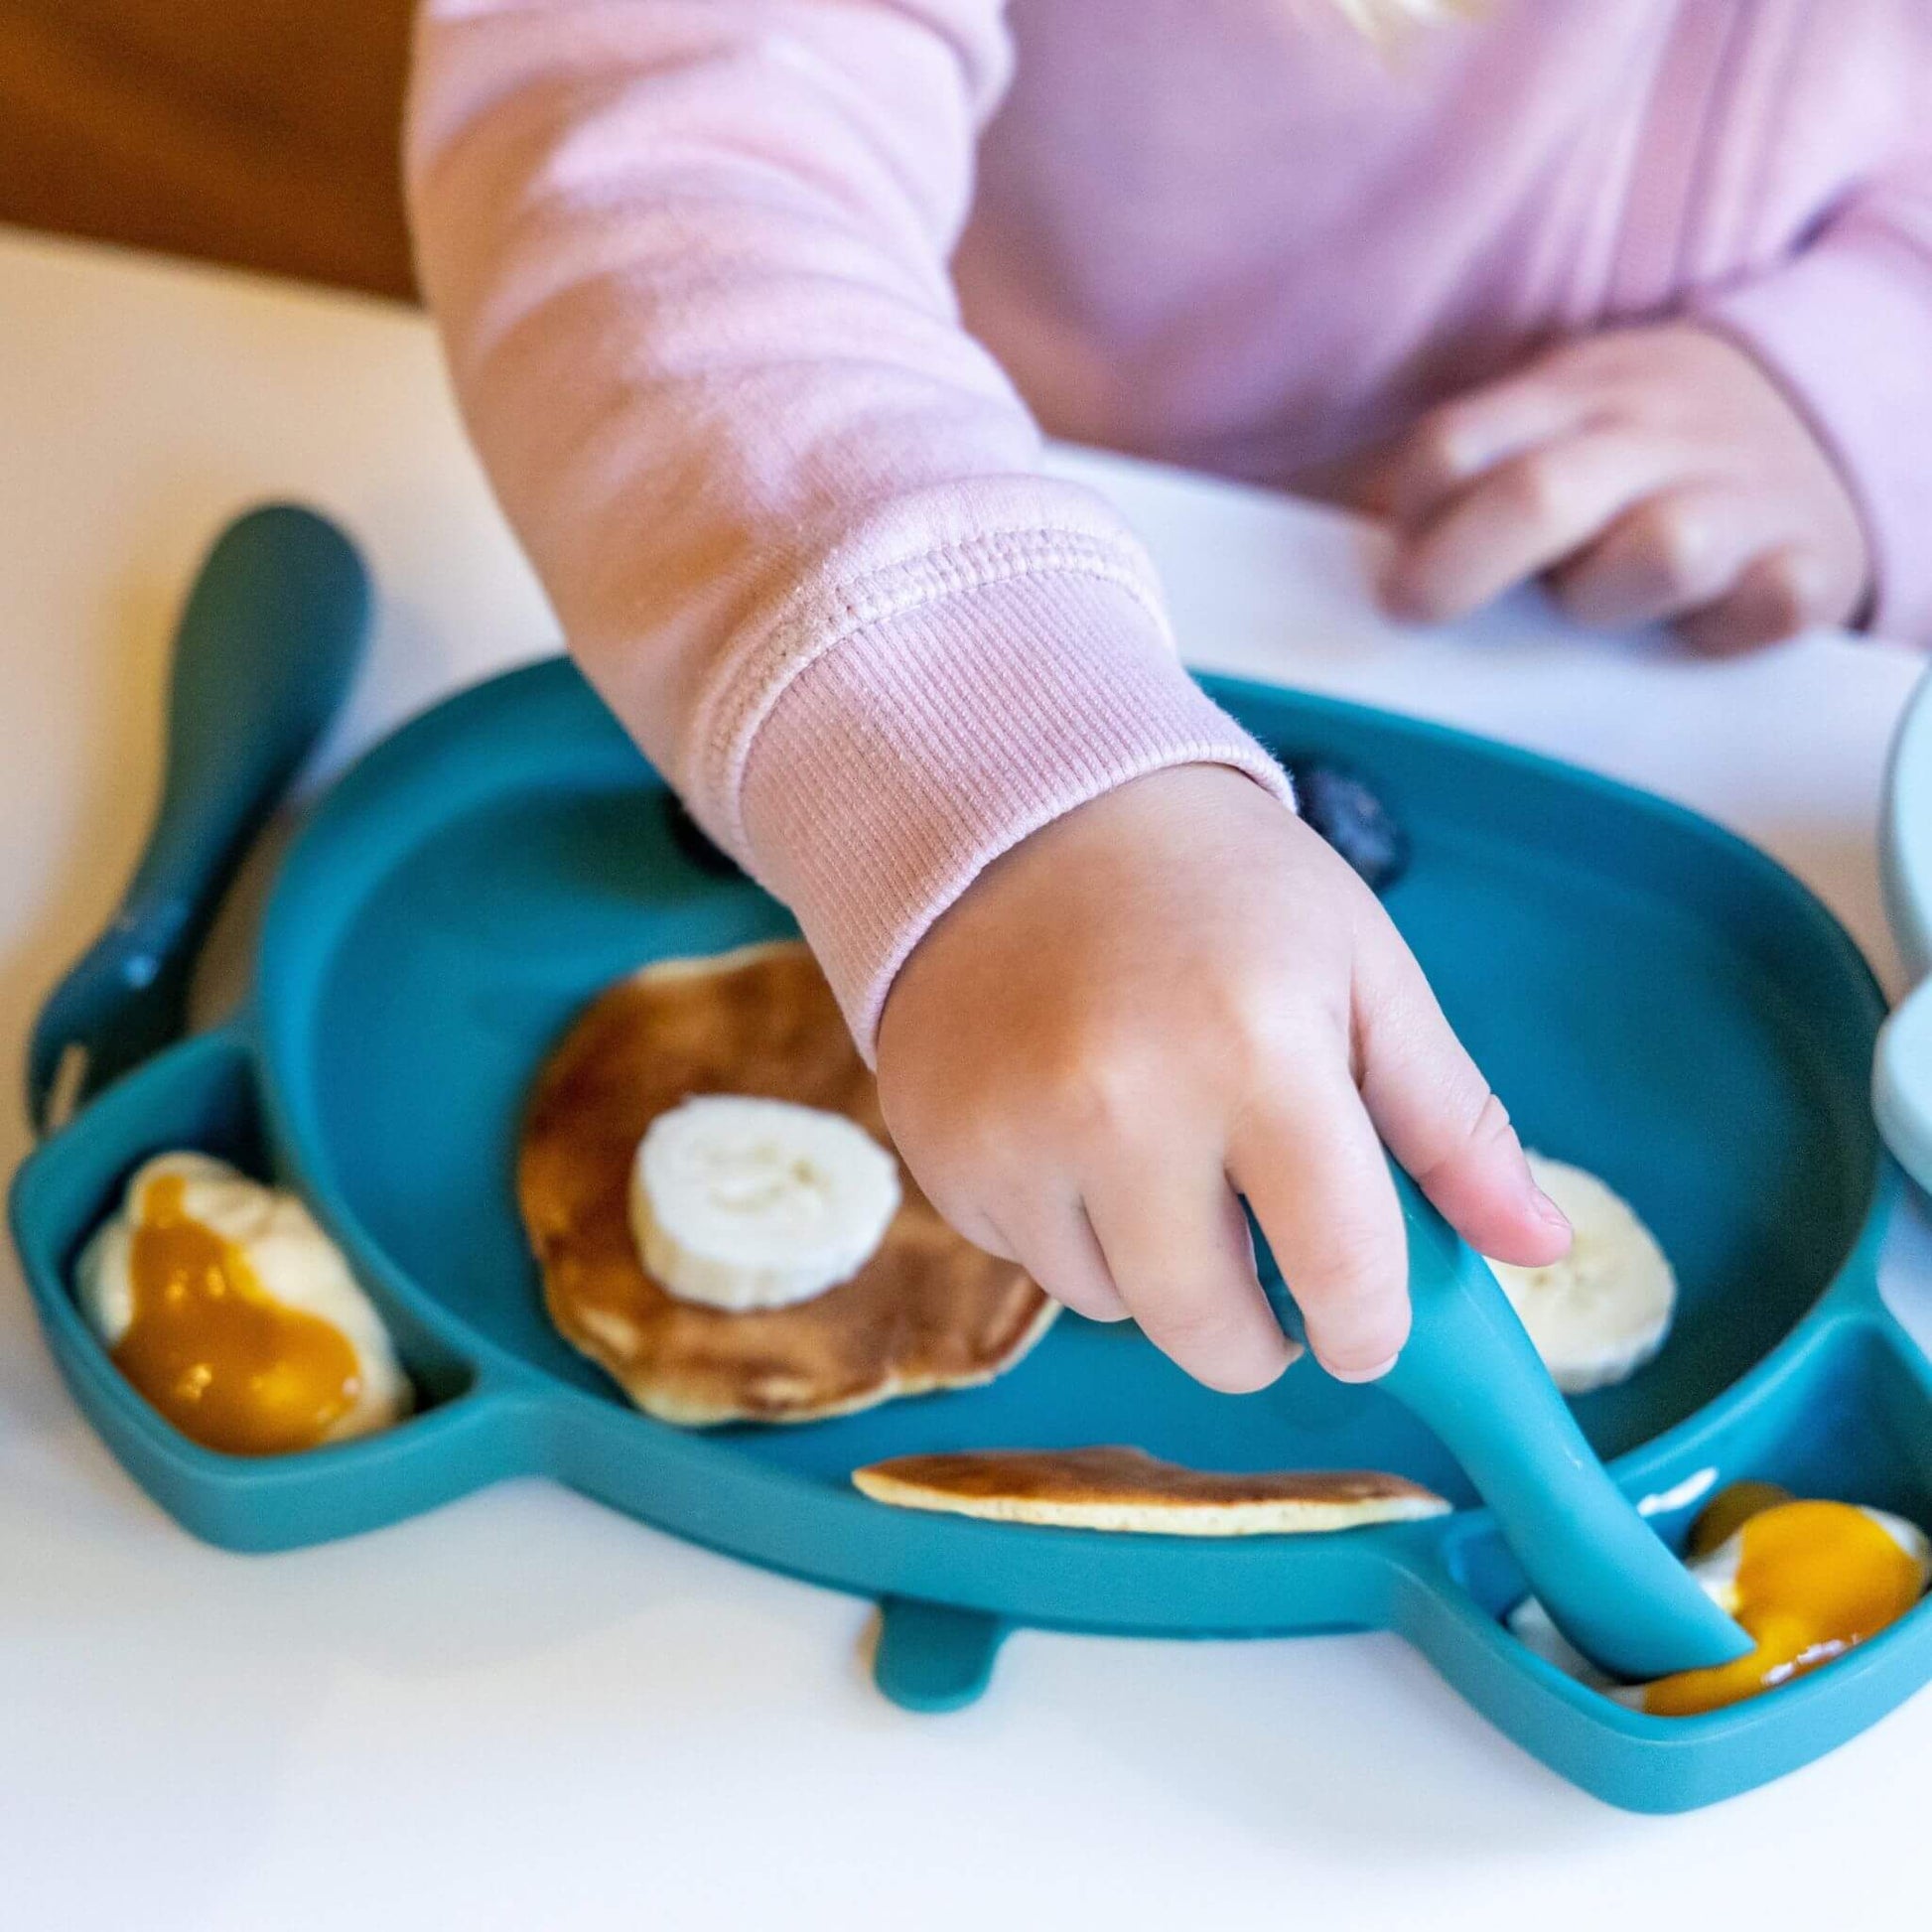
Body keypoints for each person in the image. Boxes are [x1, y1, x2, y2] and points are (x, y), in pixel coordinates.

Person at [404, 0, 1924, 1393]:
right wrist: (984, 747)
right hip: (921, 520)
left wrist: (1852, 395)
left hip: (1714, 681)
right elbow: (647, 119)